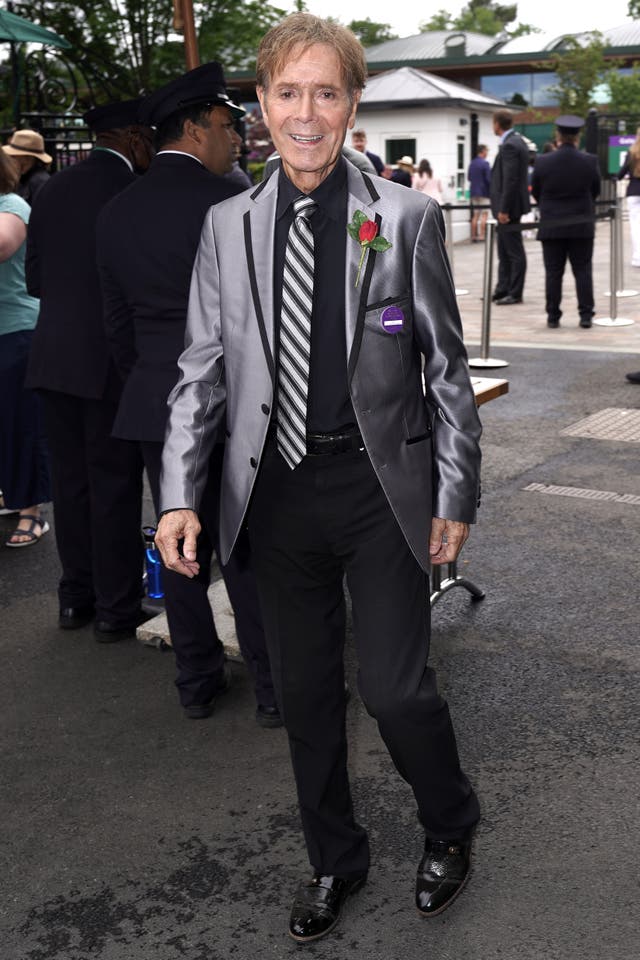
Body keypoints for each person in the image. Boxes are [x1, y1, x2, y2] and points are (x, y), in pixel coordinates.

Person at [155, 13, 482, 944]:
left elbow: (446, 372)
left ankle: (450, 824)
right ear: (261, 105)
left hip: (381, 491)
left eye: (326, 93)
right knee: (304, 697)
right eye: (288, 93)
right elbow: (202, 370)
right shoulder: (227, 225)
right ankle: (335, 859)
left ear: (351, 103)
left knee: (395, 690)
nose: (306, 114)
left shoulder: (404, 216)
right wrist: (179, 493)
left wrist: (455, 495)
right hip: (275, 498)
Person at [96, 64, 279, 727]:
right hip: (234, 402)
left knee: (180, 544)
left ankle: (197, 681)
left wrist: (153, 380)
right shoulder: (231, 205)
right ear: (199, 127)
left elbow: (115, 325)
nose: (240, 139)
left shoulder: (117, 210)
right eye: (231, 126)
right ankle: (272, 689)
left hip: (154, 401)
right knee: (247, 546)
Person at [25, 100, 155, 640]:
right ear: (126, 136)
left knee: (73, 486)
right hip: (108, 362)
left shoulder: (51, 188)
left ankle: (74, 597)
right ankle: (115, 607)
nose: (151, 143)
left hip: (52, 357)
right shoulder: (130, 193)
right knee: (114, 486)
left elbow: (34, 280)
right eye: (146, 134)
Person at [0, 149, 50, 547]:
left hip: (15, 332)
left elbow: (2, 245)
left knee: (21, 424)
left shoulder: (12, 205)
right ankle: (10, 492)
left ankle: (31, 512)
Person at [531, 115, 601, 329]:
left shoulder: (542, 161)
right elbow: (595, 190)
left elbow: (536, 191)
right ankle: (586, 315)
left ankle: (553, 315)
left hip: (552, 224)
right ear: (577, 137)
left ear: (558, 136)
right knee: (583, 271)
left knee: (553, 272)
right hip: (581, 224)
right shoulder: (590, 161)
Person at [490, 109, 530, 304]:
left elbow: (510, 180)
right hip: (509, 207)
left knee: (513, 251)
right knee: (504, 251)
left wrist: (503, 209)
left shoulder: (510, 145)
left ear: (497, 124)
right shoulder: (515, 141)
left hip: (509, 208)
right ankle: (502, 288)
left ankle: (514, 292)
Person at [2, 130, 52, 206]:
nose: (10, 160)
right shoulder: (23, 178)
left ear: (27, 158)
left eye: (13, 156)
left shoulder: (39, 181)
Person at [618, 127, 640, 268]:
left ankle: (637, 257)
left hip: (634, 191)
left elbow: (621, 174)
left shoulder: (631, 153)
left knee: (635, 226)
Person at [467, 144, 491, 241]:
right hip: (484, 192)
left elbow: (469, 177)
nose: (487, 153)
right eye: (486, 151)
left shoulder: (472, 163)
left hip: (473, 192)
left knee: (476, 215)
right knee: (484, 214)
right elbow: (489, 179)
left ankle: (473, 236)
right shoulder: (485, 164)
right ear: (483, 151)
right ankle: (481, 236)